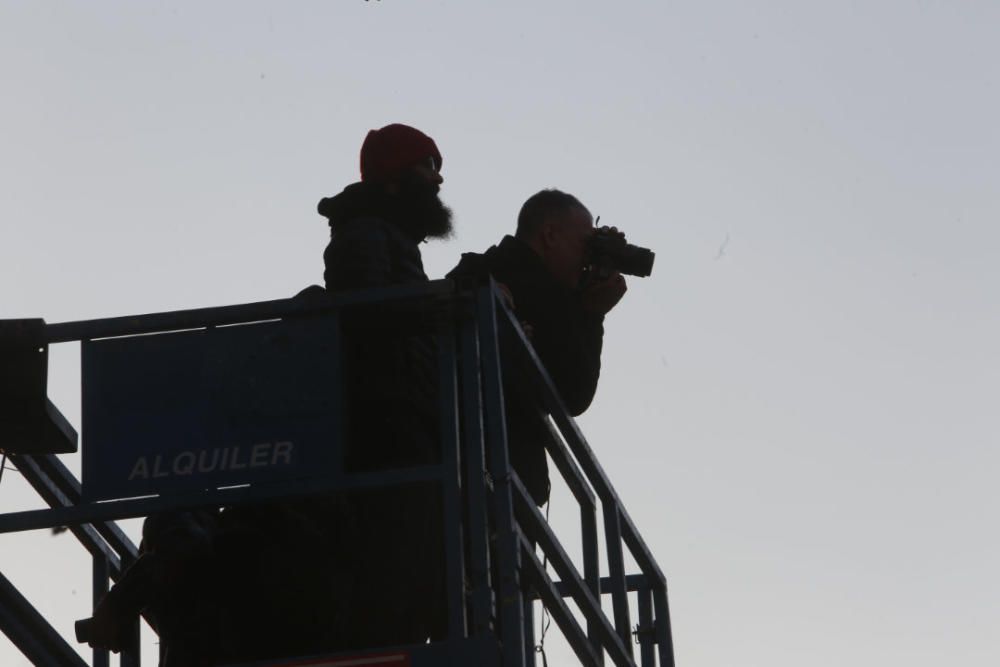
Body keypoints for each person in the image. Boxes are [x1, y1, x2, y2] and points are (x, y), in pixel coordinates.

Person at [448, 189, 627, 506]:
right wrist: (591, 313)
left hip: (487, 478)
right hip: (490, 487)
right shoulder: (531, 289)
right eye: (587, 245)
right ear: (550, 235)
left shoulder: (486, 270)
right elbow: (574, 394)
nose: (587, 259)